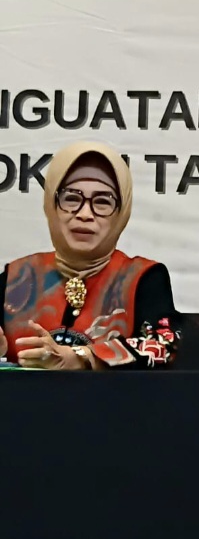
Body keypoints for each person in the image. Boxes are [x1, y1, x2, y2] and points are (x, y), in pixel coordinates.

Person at [0, 141, 181, 369]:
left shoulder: (142, 278)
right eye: (71, 199)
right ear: (51, 205)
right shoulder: (17, 276)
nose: (85, 214)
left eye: (102, 202)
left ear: (121, 213)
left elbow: (164, 346)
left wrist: (82, 357)